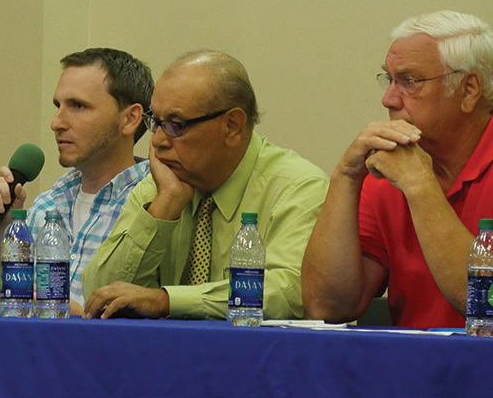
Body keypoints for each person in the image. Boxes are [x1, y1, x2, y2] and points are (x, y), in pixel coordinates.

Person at [302, 10, 493, 328]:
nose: (388, 99)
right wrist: (346, 176)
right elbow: (327, 306)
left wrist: (421, 186)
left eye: (409, 82)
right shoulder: (389, 172)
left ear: (469, 89)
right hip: (408, 370)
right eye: (389, 79)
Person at [82, 50, 328, 320]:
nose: (157, 142)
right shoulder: (162, 186)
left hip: (260, 359)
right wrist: (164, 208)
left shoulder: (299, 188)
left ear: (232, 126)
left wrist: (167, 300)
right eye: (156, 123)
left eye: (176, 125)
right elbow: (100, 296)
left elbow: (289, 292)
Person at [0, 48, 154, 313]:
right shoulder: (46, 206)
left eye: (78, 106)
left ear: (130, 118)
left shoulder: (156, 204)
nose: (56, 123)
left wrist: (65, 310)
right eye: (58, 106)